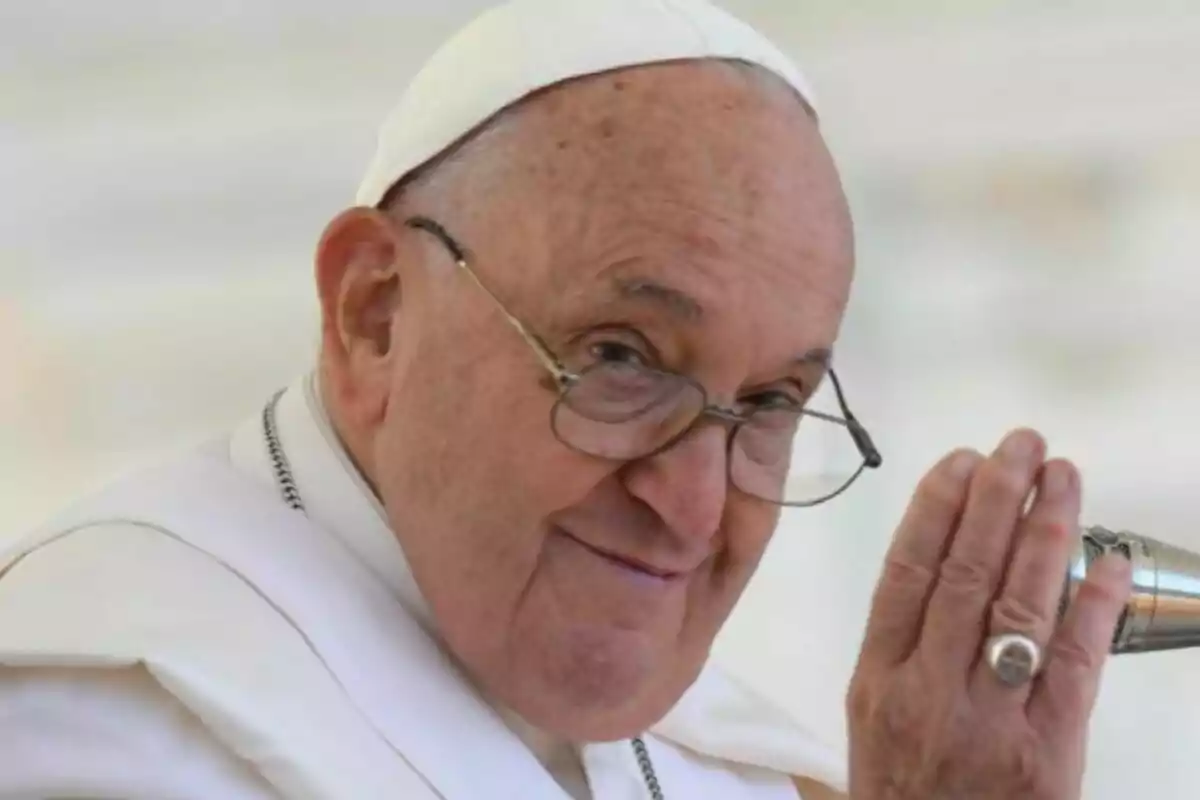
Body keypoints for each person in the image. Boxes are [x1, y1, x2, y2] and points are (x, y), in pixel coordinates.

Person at [0, 0, 1133, 798]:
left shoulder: (725, 757)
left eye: (773, 400)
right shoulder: (102, 721)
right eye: (623, 357)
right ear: (375, 313)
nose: (692, 505)